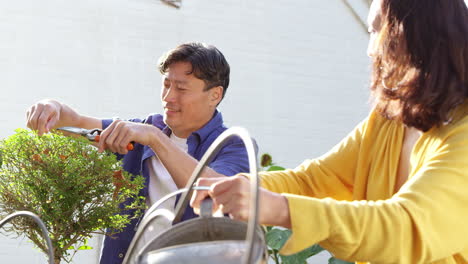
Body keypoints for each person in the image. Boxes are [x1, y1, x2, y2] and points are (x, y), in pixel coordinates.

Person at [191, 0, 468, 263]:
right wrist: (242, 188)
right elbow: (313, 181)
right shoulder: (390, 121)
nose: (370, 50)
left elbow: (406, 223)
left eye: (376, 30)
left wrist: (280, 208)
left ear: (416, 35)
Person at [26, 42, 253, 264]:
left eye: (181, 88)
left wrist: (155, 138)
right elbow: (76, 122)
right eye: (166, 85)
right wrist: (51, 106)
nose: (168, 97)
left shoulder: (233, 145)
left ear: (215, 95)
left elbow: (214, 193)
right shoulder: (143, 129)